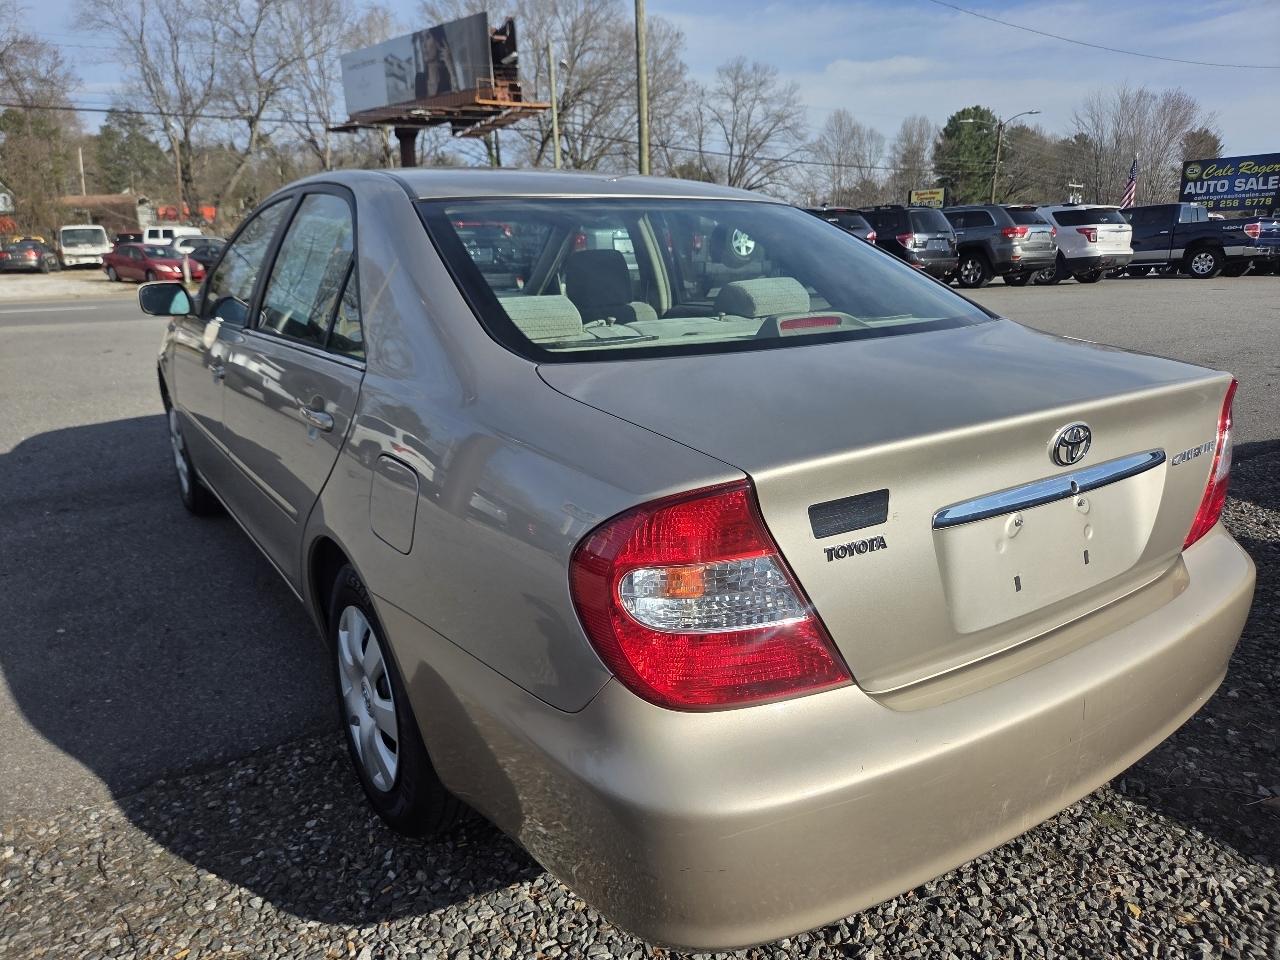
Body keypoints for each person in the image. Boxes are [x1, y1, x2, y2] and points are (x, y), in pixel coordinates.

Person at [414, 26, 457, 99]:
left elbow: (457, 97)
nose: (424, 45)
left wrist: (450, 66)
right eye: (422, 39)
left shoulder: (448, 76)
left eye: (427, 37)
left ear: (438, 43)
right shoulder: (419, 79)